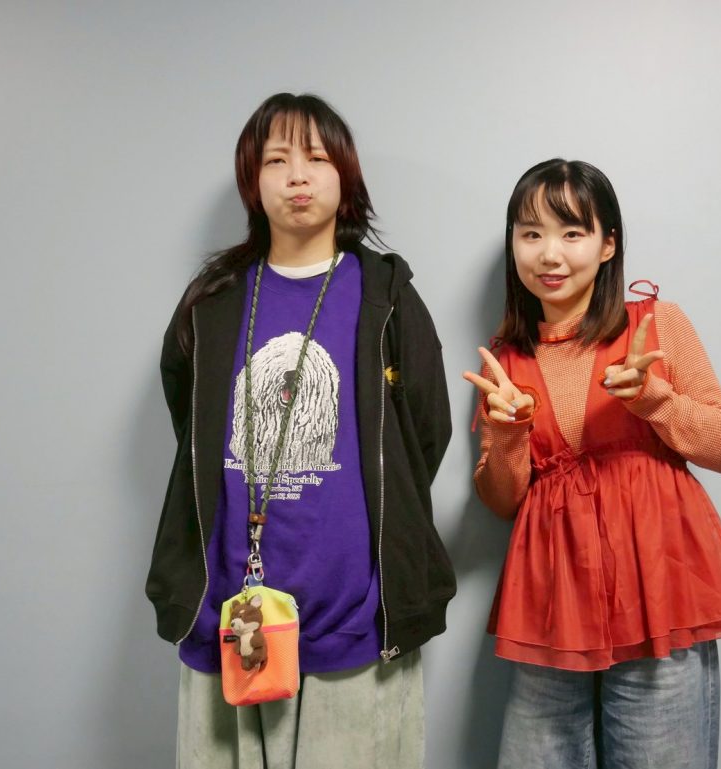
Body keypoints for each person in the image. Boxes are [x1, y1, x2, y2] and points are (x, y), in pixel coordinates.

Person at [147, 92, 455, 769]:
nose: (297, 176)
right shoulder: (214, 300)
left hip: (356, 620)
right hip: (228, 615)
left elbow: (424, 436)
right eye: (276, 160)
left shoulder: (387, 297)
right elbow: (190, 418)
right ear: (252, 181)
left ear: (345, 175)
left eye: (316, 158)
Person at [464, 159, 721, 769]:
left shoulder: (655, 325)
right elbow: (501, 502)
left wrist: (653, 399)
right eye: (531, 233)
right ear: (514, 244)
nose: (550, 254)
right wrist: (508, 430)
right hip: (551, 603)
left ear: (607, 245)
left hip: (658, 591)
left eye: (572, 233)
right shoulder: (505, 360)